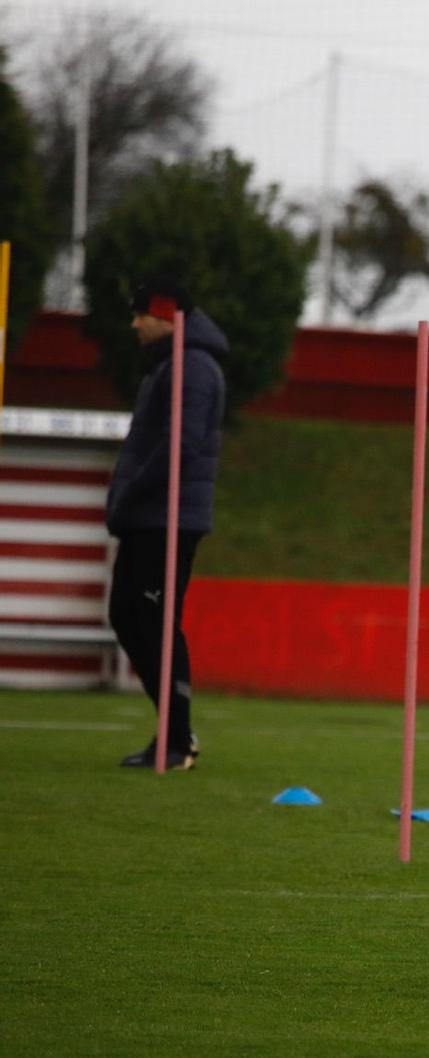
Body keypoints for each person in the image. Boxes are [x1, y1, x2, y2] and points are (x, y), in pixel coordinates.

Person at [106, 278, 228, 771]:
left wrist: (129, 494)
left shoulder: (192, 368)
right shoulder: (168, 366)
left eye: (141, 314)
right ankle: (177, 731)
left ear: (165, 316)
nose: (134, 323)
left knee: (155, 625)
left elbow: (182, 445)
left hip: (169, 519)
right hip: (149, 516)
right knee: (127, 615)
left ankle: (176, 742)